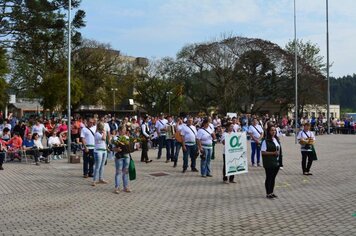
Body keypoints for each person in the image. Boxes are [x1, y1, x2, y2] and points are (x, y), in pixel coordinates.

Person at [261, 125, 281, 199]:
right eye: (272, 130)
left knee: (273, 178)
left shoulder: (276, 139)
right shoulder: (265, 141)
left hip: (276, 161)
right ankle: (268, 193)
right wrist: (273, 153)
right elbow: (263, 152)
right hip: (269, 162)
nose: (274, 132)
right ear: (269, 132)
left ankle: (271, 192)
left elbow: (278, 149)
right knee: (269, 177)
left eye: (275, 130)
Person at [113, 126, 131, 193]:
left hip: (126, 156)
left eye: (125, 130)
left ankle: (125, 187)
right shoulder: (115, 138)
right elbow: (112, 148)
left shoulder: (127, 137)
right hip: (119, 157)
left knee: (126, 172)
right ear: (120, 131)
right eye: (124, 130)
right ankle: (117, 187)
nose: (125, 131)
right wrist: (116, 149)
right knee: (118, 172)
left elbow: (130, 147)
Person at [92, 122, 108, 186]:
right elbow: (104, 138)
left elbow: (104, 141)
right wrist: (104, 132)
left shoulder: (101, 133)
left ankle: (101, 178)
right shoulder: (97, 134)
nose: (103, 128)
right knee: (97, 166)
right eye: (103, 126)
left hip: (104, 150)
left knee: (102, 165)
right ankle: (94, 180)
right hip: (98, 151)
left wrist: (106, 148)